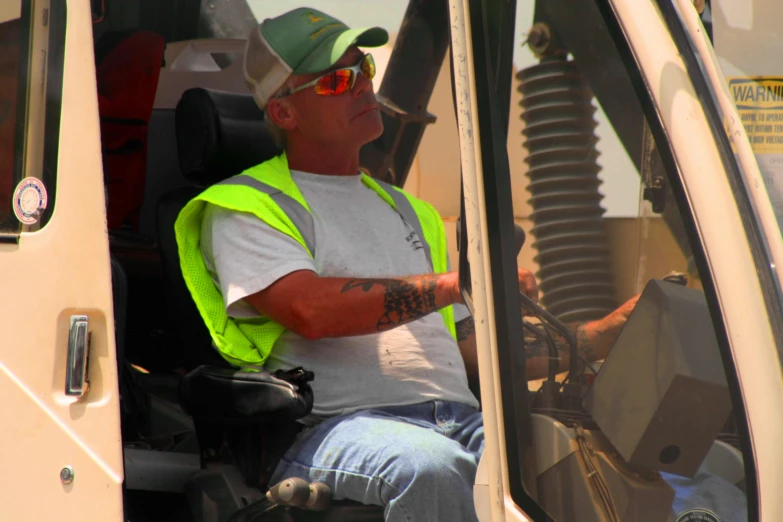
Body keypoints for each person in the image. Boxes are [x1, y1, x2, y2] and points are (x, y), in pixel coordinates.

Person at [174, 7, 746, 522]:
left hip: (461, 420)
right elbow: (311, 309)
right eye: (339, 80)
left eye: (365, 68)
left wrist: (599, 337)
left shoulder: (410, 211)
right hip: (333, 427)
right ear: (284, 111)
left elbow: (466, 346)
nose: (364, 87)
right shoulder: (245, 207)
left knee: (674, 477)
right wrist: (455, 284)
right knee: (431, 468)